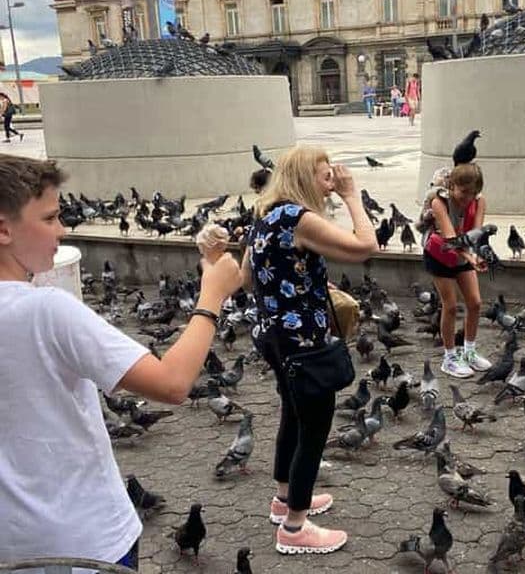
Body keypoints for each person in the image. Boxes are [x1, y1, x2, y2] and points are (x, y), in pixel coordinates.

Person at [0, 155, 243, 571]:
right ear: (4, 229)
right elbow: (172, 383)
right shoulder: (46, 310)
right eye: (50, 218)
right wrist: (212, 295)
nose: (62, 229)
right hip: (83, 543)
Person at [240, 145, 377, 555]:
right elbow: (363, 246)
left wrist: (302, 285)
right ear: (304, 178)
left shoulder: (264, 214)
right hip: (303, 342)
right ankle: (296, 528)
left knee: (294, 416)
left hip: (272, 335)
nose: (331, 181)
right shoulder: (299, 217)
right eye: (324, 175)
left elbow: (249, 278)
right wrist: (352, 196)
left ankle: (285, 499)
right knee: (315, 427)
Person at [421, 163, 492, 378]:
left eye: (473, 193)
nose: (468, 197)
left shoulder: (479, 202)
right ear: (452, 186)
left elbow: (476, 234)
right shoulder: (438, 202)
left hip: (463, 253)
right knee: (450, 306)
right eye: (464, 192)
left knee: (475, 302)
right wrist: (471, 256)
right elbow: (451, 238)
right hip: (439, 253)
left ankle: (469, 351)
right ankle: (449, 358)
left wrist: (479, 255)